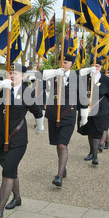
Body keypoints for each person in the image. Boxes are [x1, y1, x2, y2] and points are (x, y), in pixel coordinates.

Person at [0, 63, 44, 218]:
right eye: (10, 72)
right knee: (10, 170)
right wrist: (0, 84)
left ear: (23, 76)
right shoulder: (2, 88)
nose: (12, 75)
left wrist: (40, 127)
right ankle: (17, 197)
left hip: (17, 139)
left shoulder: (28, 92)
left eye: (16, 73)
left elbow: (38, 111)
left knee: (7, 173)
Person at [43, 54, 86, 187]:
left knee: (62, 144)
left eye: (66, 62)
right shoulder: (54, 75)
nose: (63, 64)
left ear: (71, 65)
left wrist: (83, 116)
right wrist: (54, 73)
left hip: (68, 114)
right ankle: (63, 166)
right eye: (61, 62)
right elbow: (40, 77)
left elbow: (83, 98)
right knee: (57, 143)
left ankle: (59, 175)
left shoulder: (77, 79)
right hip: (53, 114)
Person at [77, 59, 109, 165]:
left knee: (97, 132)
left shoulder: (106, 80)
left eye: (97, 66)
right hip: (86, 110)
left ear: (101, 67)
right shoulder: (84, 78)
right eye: (93, 65)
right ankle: (91, 152)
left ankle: (95, 156)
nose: (95, 68)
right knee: (90, 131)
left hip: (100, 110)